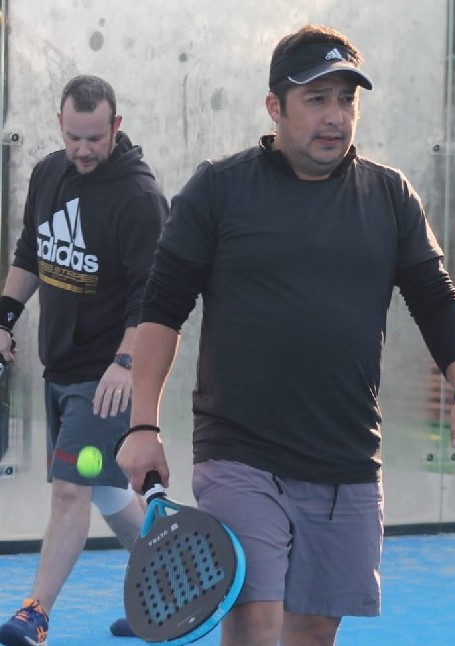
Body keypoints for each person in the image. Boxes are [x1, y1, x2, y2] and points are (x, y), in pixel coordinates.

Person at [117, 24, 455, 646]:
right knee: (254, 617)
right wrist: (142, 426)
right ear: (275, 106)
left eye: (346, 99)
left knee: (315, 630)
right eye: (316, 99)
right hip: (239, 450)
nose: (335, 116)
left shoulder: (390, 195)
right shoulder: (219, 188)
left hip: (346, 455)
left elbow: (435, 296)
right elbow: (162, 309)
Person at [0, 75, 168, 646]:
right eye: (74, 137)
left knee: (71, 490)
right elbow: (32, 251)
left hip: (105, 378)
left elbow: (152, 297)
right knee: (107, 490)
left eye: (95, 137)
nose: (84, 149)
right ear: (60, 124)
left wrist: (125, 362)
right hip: (61, 365)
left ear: (116, 126)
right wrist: (4, 318)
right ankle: (171, 588)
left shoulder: (139, 198)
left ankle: (35, 614)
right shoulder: (49, 172)